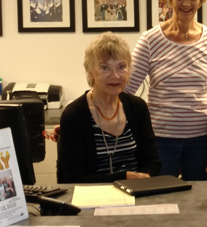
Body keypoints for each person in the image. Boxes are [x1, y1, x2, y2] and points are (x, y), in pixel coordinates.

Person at [125, 0, 207, 181]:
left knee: (200, 202)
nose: (186, 3)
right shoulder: (150, 40)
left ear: (201, 0)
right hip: (160, 139)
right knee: (161, 198)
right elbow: (125, 88)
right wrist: (85, 113)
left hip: (202, 139)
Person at [58, 32, 161, 183]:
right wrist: (123, 178)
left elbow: (153, 162)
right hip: (92, 200)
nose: (115, 75)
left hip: (137, 195)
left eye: (121, 67)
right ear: (91, 72)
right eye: (105, 68)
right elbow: (73, 178)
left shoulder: (138, 108)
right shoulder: (74, 115)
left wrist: (141, 180)